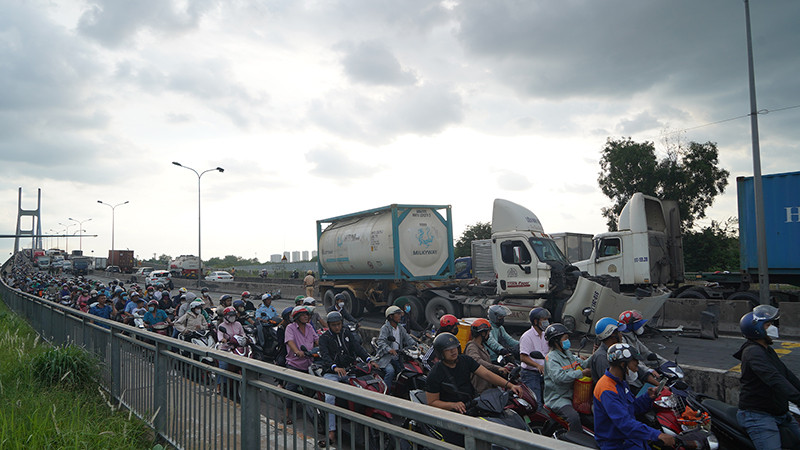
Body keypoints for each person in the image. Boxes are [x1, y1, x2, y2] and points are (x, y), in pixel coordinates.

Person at [426, 332, 525, 446]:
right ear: (440, 352)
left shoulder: (465, 360)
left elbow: (486, 374)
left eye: (455, 348)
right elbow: (432, 402)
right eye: (448, 349)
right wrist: (452, 405)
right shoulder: (435, 374)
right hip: (450, 416)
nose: (453, 351)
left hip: (471, 407)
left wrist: (510, 385)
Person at [735, 305, 800, 449]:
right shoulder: (752, 352)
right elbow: (774, 378)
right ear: (756, 328)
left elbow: (787, 375)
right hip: (759, 416)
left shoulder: (766, 350)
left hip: (780, 413)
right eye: (768, 324)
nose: (772, 328)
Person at [593, 343, 675, 449]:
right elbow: (624, 423)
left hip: (629, 439)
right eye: (635, 366)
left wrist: (647, 397)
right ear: (623, 365)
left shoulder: (620, 382)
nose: (636, 370)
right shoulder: (607, 389)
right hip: (615, 443)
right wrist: (656, 435)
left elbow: (631, 408)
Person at [318, 311, 374, 445]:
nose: (337, 327)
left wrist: (369, 359)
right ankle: (331, 432)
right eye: (334, 325)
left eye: (339, 324)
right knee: (330, 397)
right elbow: (325, 356)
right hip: (332, 373)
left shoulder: (346, 333)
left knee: (361, 392)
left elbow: (357, 347)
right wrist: (334, 367)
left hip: (348, 371)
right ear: (329, 325)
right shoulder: (324, 338)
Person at [542, 323, 591, 432]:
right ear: (556, 341)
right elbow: (559, 377)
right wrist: (582, 374)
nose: (567, 341)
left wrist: (596, 355)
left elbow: (582, 364)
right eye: (565, 338)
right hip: (559, 398)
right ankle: (575, 442)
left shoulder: (568, 353)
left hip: (574, 395)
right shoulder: (551, 358)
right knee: (573, 418)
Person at [283, 306, 318, 421]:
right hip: (295, 363)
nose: (306, 317)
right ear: (297, 317)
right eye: (303, 315)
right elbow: (290, 341)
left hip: (309, 363)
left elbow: (316, 340)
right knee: (291, 388)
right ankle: (286, 415)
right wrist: (297, 351)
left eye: (307, 315)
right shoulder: (290, 328)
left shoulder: (309, 327)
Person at [375, 305, 417, 393]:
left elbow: (408, 338)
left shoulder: (400, 328)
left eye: (400, 314)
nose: (400, 316)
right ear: (391, 316)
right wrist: (389, 349)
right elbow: (381, 341)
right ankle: (385, 393)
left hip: (398, 356)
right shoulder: (385, 328)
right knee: (390, 371)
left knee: (405, 372)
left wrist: (416, 345)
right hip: (386, 357)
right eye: (397, 314)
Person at [463, 318, 508, 394]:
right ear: (483, 333)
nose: (489, 335)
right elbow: (477, 361)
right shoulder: (472, 347)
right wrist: (496, 368)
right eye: (488, 332)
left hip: (487, 388)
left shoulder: (482, 346)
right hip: (479, 390)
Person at [519, 307, 550, 406]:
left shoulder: (546, 335)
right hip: (530, 374)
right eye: (544, 320)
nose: (546, 322)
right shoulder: (527, 336)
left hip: (545, 373)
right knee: (536, 403)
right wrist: (537, 365)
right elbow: (523, 357)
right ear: (536, 321)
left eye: (547, 319)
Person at [216, 306, 246, 393]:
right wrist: (223, 340)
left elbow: (242, 334)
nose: (232, 317)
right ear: (225, 316)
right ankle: (219, 386)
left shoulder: (238, 324)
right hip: (226, 349)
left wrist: (245, 338)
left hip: (238, 348)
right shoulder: (222, 326)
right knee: (223, 366)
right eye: (230, 316)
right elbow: (220, 337)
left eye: (234, 315)